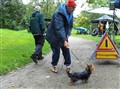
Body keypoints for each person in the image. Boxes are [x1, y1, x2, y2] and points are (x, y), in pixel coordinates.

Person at [45, 0, 76, 73]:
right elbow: (59, 28)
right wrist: (64, 40)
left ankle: (68, 66)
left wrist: (68, 34)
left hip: (62, 34)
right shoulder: (58, 14)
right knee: (56, 51)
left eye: (75, 8)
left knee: (66, 49)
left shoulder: (71, 14)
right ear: (68, 7)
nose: (74, 9)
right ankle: (53, 66)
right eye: (73, 7)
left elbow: (70, 26)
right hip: (54, 35)